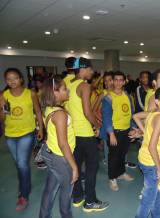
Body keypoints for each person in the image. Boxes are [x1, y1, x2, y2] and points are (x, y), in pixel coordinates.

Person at [68, 57, 109, 212]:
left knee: (76, 166)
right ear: (84, 69)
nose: (92, 72)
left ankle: (77, 197)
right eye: (91, 69)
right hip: (85, 133)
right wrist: (97, 125)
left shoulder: (70, 85)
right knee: (92, 168)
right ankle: (90, 202)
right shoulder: (84, 86)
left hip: (74, 133)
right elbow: (87, 111)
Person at [0, 68, 44, 211]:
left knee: (22, 163)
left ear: (21, 79)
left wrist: (41, 128)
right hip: (10, 134)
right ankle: (26, 184)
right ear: (6, 81)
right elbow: (2, 118)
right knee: (19, 164)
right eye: (8, 79)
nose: (12, 81)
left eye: (15, 78)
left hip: (27, 133)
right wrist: (2, 108)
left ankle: (23, 195)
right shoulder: (3, 95)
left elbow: (37, 111)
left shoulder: (30, 94)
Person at [39, 75, 78, 218]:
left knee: (50, 189)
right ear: (55, 92)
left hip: (49, 152)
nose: (67, 91)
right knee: (66, 191)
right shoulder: (60, 114)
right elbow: (63, 144)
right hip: (60, 157)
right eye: (64, 89)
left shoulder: (49, 108)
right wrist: (74, 167)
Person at [134, 87, 160, 218]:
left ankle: (157, 215)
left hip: (144, 158)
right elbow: (152, 146)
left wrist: (144, 132)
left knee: (155, 193)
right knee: (148, 200)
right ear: (157, 101)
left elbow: (136, 116)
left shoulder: (154, 112)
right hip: (151, 162)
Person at [102, 71, 135, 191]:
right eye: (116, 79)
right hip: (115, 132)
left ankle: (121, 173)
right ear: (112, 81)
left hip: (126, 130)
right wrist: (111, 134)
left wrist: (132, 129)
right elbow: (106, 117)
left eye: (121, 80)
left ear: (124, 81)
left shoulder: (127, 95)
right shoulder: (108, 97)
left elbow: (130, 113)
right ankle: (112, 178)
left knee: (122, 154)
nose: (118, 82)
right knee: (113, 156)